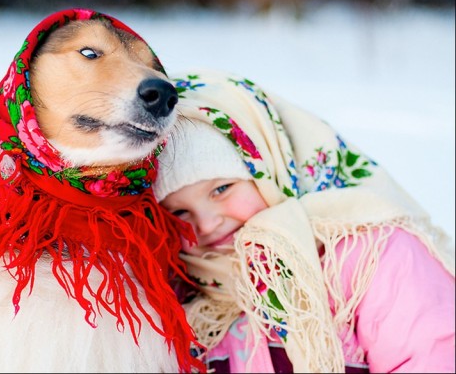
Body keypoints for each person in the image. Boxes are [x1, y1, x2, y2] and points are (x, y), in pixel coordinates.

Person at [152, 69, 455, 373]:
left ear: (272, 170)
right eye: (179, 212)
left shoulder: (371, 257)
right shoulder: (178, 289)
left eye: (221, 189)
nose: (205, 224)